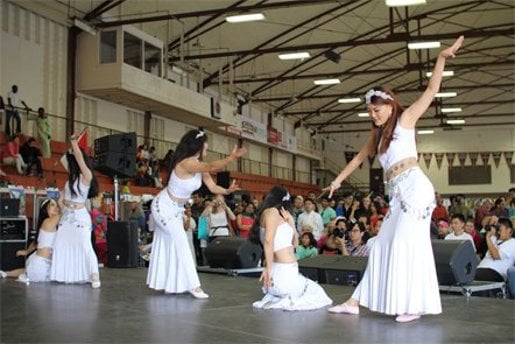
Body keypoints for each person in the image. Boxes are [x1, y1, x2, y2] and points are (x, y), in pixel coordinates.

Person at [325, 36, 464, 323]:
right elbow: (357, 159)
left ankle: (414, 304)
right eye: (369, 111)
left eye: (376, 110)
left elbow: (432, 89)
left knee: (406, 244)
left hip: (416, 189)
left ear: (389, 106)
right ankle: (355, 301)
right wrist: (337, 181)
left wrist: (441, 58)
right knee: (380, 246)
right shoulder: (376, 135)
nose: (372, 115)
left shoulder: (406, 120)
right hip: (398, 194)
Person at [146, 128, 246, 299]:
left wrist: (228, 190)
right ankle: (194, 285)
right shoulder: (186, 163)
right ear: (197, 147)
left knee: (171, 243)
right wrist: (231, 158)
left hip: (176, 210)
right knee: (181, 243)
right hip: (162, 206)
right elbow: (211, 166)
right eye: (205, 148)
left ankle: (165, 282)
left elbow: (213, 187)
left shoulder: (199, 167)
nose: (206, 151)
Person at [251, 186, 332, 310]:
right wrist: (267, 268)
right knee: (318, 293)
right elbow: (268, 241)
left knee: (317, 292)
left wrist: (291, 224)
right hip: (281, 273)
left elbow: (295, 244)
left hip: (287, 273)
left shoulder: (275, 215)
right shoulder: (271, 212)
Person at [50, 132, 100, 288]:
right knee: (61, 243)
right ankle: (65, 274)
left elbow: (78, 157)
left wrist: (73, 143)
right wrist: (61, 204)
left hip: (79, 216)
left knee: (85, 246)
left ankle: (94, 275)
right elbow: (61, 199)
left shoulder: (87, 175)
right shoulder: (70, 180)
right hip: (67, 217)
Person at [0, 199, 60, 282]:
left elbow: (36, 243)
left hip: (40, 262)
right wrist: (62, 201)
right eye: (52, 205)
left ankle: (6, 273)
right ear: (45, 210)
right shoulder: (48, 222)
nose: (56, 208)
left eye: (57, 206)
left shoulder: (49, 223)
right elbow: (64, 213)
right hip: (42, 264)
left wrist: (26, 251)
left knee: (27, 271)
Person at [475, 217, 515, 282]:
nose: (498, 232)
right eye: (498, 230)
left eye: (500, 230)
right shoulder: (495, 239)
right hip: (480, 270)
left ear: (509, 231)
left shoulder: (512, 242)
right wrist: (492, 224)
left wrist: (488, 237)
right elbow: (485, 226)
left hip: (495, 273)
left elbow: (496, 255)